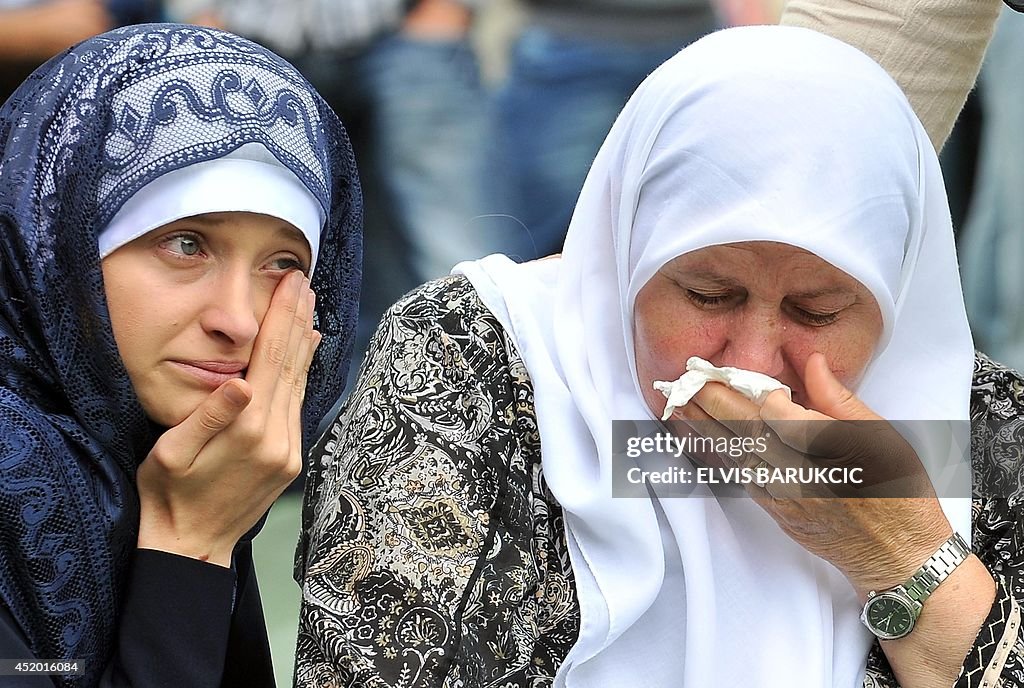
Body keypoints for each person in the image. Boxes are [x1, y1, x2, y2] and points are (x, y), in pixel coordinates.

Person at [294, 24, 1020, 687]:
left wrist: (901, 553)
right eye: (708, 295)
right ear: (628, 257)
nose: (755, 360)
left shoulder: (970, 429)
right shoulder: (475, 362)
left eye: (816, 312)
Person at [0, 22, 361, 687]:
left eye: (283, 263)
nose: (240, 321)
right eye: (186, 244)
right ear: (59, 250)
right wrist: (189, 544)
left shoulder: (181, 457)